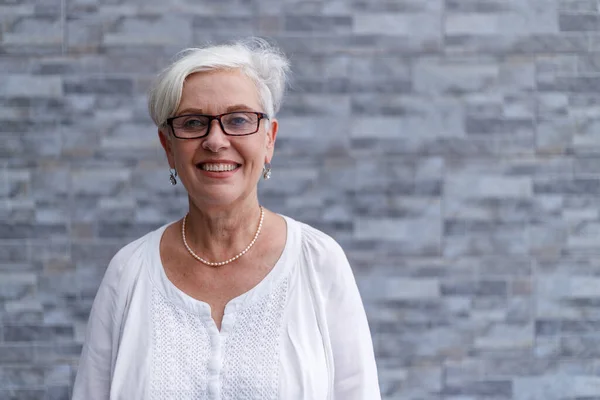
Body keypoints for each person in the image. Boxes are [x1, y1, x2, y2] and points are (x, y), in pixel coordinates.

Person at [72, 38, 381, 400]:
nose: (215, 140)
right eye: (192, 123)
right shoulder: (129, 272)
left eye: (238, 119)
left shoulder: (318, 262)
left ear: (269, 140)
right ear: (168, 146)